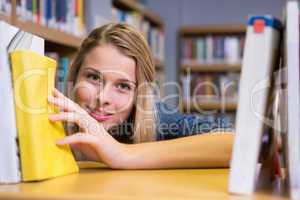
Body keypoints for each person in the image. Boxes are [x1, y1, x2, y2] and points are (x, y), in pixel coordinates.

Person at [47, 23, 234, 169]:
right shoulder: (48, 113)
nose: (103, 97)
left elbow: (234, 143)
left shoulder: (157, 118)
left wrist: (121, 154)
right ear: (75, 74)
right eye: (94, 77)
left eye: (122, 86)